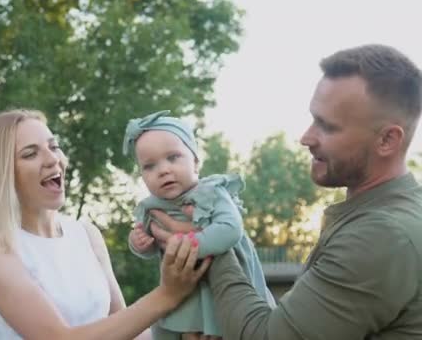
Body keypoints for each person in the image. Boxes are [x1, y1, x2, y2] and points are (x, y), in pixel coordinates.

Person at [150, 44, 422, 339]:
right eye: (313, 118)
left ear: (387, 140)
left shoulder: (381, 235)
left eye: (328, 127)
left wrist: (209, 240)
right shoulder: (387, 216)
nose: (306, 138)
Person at [0, 109, 212, 340]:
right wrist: (167, 295)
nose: (52, 159)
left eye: (54, 146)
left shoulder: (86, 233)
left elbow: (125, 328)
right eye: (30, 153)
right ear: (3, 174)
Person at [123, 110, 275, 340]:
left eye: (173, 157)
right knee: (167, 327)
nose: (163, 170)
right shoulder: (152, 207)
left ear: (195, 161)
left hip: (224, 283)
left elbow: (231, 229)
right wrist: (140, 244)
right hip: (183, 286)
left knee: (229, 326)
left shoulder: (211, 192)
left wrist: (190, 244)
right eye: (149, 166)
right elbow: (152, 246)